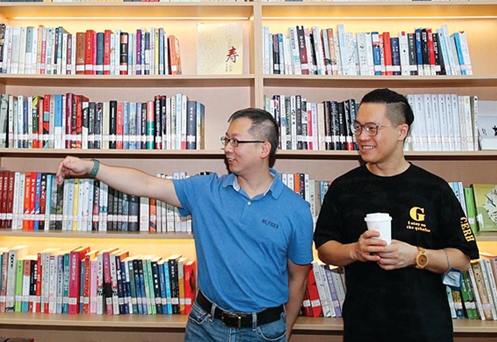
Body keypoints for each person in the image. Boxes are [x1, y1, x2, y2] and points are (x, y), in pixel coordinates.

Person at [57, 107, 313, 341]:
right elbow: (146, 184)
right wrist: (92, 168)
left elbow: (298, 279)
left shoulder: (296, 210)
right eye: (226, 140)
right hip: (204, 326)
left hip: (264, 332)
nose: (227, 148)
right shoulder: (205, 191)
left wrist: (283, 333)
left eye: (236, 141)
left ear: (264, 149)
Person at [313, 88, 479, 341]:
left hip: (426, 330)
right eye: (358, 128)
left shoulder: (434, 189)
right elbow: (325, 249)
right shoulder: (343, 188)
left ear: (402, 131)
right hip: (363, 329)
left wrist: (417, 256)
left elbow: (463, 259)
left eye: (372, 128)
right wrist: (354, 251)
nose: (362, 137)